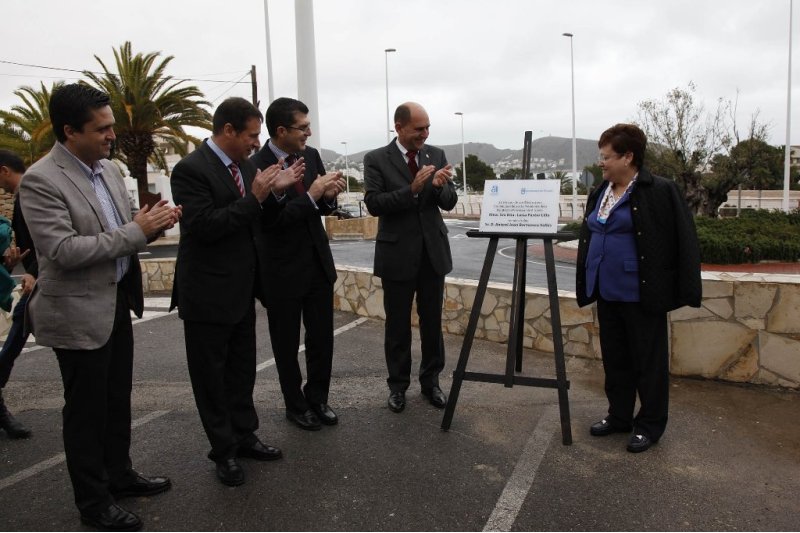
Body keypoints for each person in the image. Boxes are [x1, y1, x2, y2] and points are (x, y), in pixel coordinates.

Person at [19, 83, 179, 531]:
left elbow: (125, 224)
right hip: (74, 313)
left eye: (112, 126)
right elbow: (63, 250)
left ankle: (120, 474)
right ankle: (94, 503)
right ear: (69, 131)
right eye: (102, 129)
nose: (112, 136)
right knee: (86, 412)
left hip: (115, 300)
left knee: (115, 399)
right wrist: (136, 231)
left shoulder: (107, 169)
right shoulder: (41, 180)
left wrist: (153, 222)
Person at [170, 97, 303, 486]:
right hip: (207, 294)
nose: (254, 142)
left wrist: (278, 192)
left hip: (243, 290)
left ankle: (245, 436)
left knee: (242, 371)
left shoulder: (247, 166)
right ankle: (223, 451)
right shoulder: (190, 170)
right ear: (227, 130)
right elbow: (206, 226)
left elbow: (263, 220)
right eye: (250, 135)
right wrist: (256, 197)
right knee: (212, 379)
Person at [575, 123, 702, 453]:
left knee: (649, 363)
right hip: (606, 289)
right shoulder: (600, 192)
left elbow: (683, 239)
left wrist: (684, 286)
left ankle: (649, 424)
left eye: (606, 157)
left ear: (628, 156)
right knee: (616, 360)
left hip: (641, 291)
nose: (601, 163)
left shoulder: (658, 190)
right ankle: (619, 417)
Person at [250, 97, 345, 431]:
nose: (309, 132)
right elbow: (272, 222)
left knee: (322, 338)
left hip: (317, 264)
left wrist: (329, 195)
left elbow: (318, 208)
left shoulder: (311, 155)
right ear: (280, 131)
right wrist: (312, 195)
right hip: (281, 270)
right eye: (302, 127)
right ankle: (295, 405)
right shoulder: (258, 166)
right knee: (286, 344)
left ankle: (318, 398)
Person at [363, 102, 458, 413]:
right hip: (397, 254)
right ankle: (398, 386)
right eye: (419, 129)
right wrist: (412, 189)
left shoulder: (436, 155)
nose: (425, 134)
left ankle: (431, 383)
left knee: (432, 323)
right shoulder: (376, 159)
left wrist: (440, 187)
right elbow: (374, 203)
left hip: (433, 254)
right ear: (399, 127)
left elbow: (449, 202)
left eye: (428, 127)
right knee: (398, 325)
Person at [0, 149, 36, 439]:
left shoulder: (31, 192)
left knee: (21, 326)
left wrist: (34, 270)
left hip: (43, 281)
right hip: (37, 279)